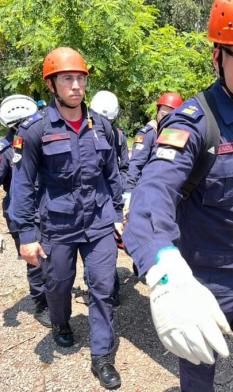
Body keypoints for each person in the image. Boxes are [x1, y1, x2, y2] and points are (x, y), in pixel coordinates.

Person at [122, 1, 233, 391]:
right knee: (199, 383)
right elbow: (151, 198)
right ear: (217, 57)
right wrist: (167, 273)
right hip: (200, 286)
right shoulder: (193, 125)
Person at [10, 47, 123, 390]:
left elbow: (113, 173)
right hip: (58, 224)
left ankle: (101, 356)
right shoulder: (34, 130)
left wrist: (118, 212)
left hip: (100, 221)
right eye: (67, 79)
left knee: (103, 287)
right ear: (52, 85)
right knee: (57, 283)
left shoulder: (101, 126)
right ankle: (61, 323)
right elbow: (22, 183)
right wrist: (26, 233)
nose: (75, 85)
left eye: (80, 78)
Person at [0, 94, 50, 327]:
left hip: (46, 208)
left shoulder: (44, 138)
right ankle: (42, 304)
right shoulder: (6, 150)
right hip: (22, 213)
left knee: (52, 256)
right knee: (35, 260)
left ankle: (53, 293)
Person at [90, 90, 130, 306]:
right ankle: (104, 288)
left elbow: (123, 167)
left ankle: (110, 290)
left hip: (109, 198)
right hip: (94, 196)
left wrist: (121, 192)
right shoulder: (85, 134)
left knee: (108, 244)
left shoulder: (119, 136)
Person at [124, 92, 183, 194]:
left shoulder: (175, 135)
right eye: (163, 114)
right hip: (146, 191)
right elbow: (135, 165)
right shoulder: (149, 134)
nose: (166, 119)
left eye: (171, 115)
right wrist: (129, 192)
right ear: (157, 112)